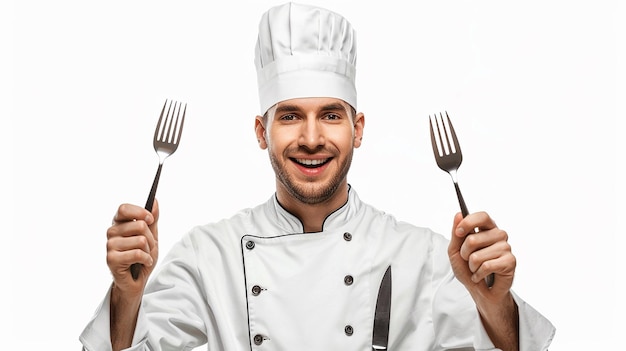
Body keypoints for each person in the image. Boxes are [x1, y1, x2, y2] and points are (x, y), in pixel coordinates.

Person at [80, 2, 555, 350]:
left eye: (330, 115)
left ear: (359, 129)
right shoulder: (209, 257)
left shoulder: (425, 257)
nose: (311, 138)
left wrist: (495, 305)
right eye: (289, 116)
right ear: (261, 132)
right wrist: (127, 295)